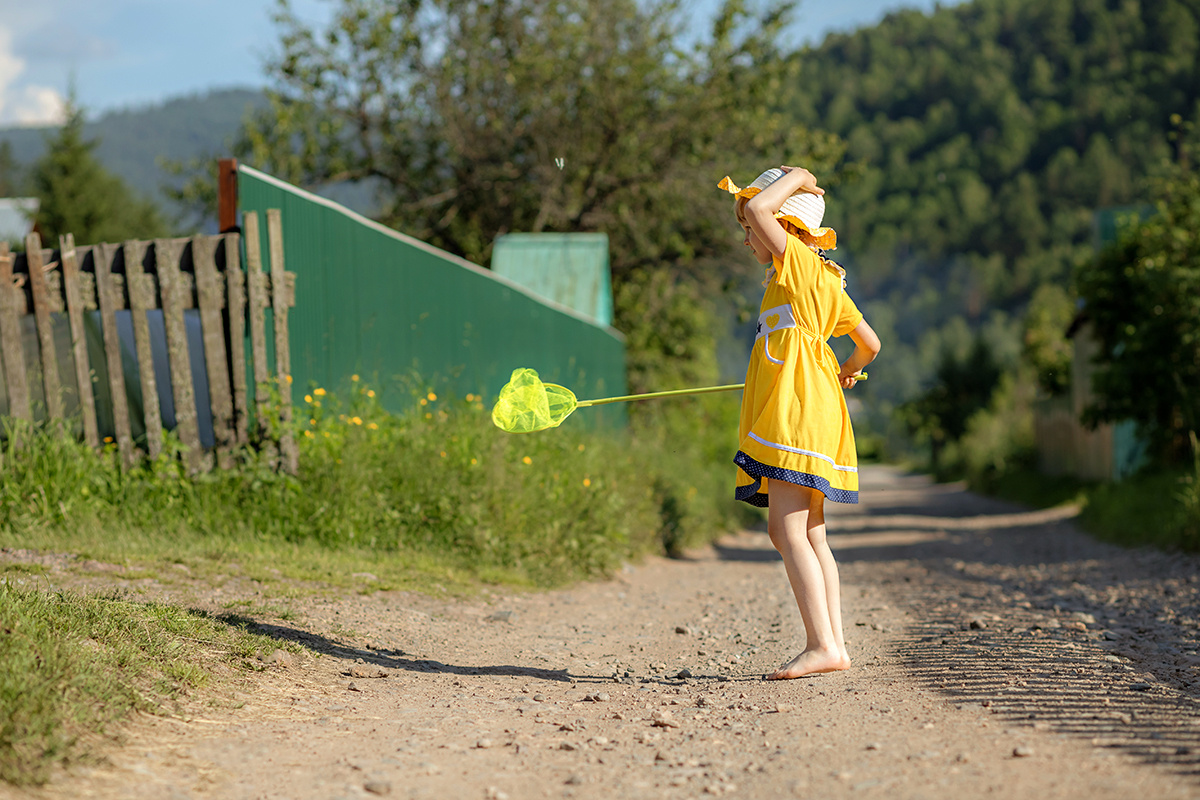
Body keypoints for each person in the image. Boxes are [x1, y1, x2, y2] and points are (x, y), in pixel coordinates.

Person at [718, 166, 881, 680]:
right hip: (818, 407)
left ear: (784, 225)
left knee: (784, 530)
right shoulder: (827, 278)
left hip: (795, 413)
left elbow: (765, 208)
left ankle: (822, 645)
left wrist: (802, 175)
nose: (748, 236)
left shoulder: (795, 260)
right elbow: (870, 345)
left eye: (750, 227)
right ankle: (833, 643)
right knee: (811, 534)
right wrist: (845, 371)